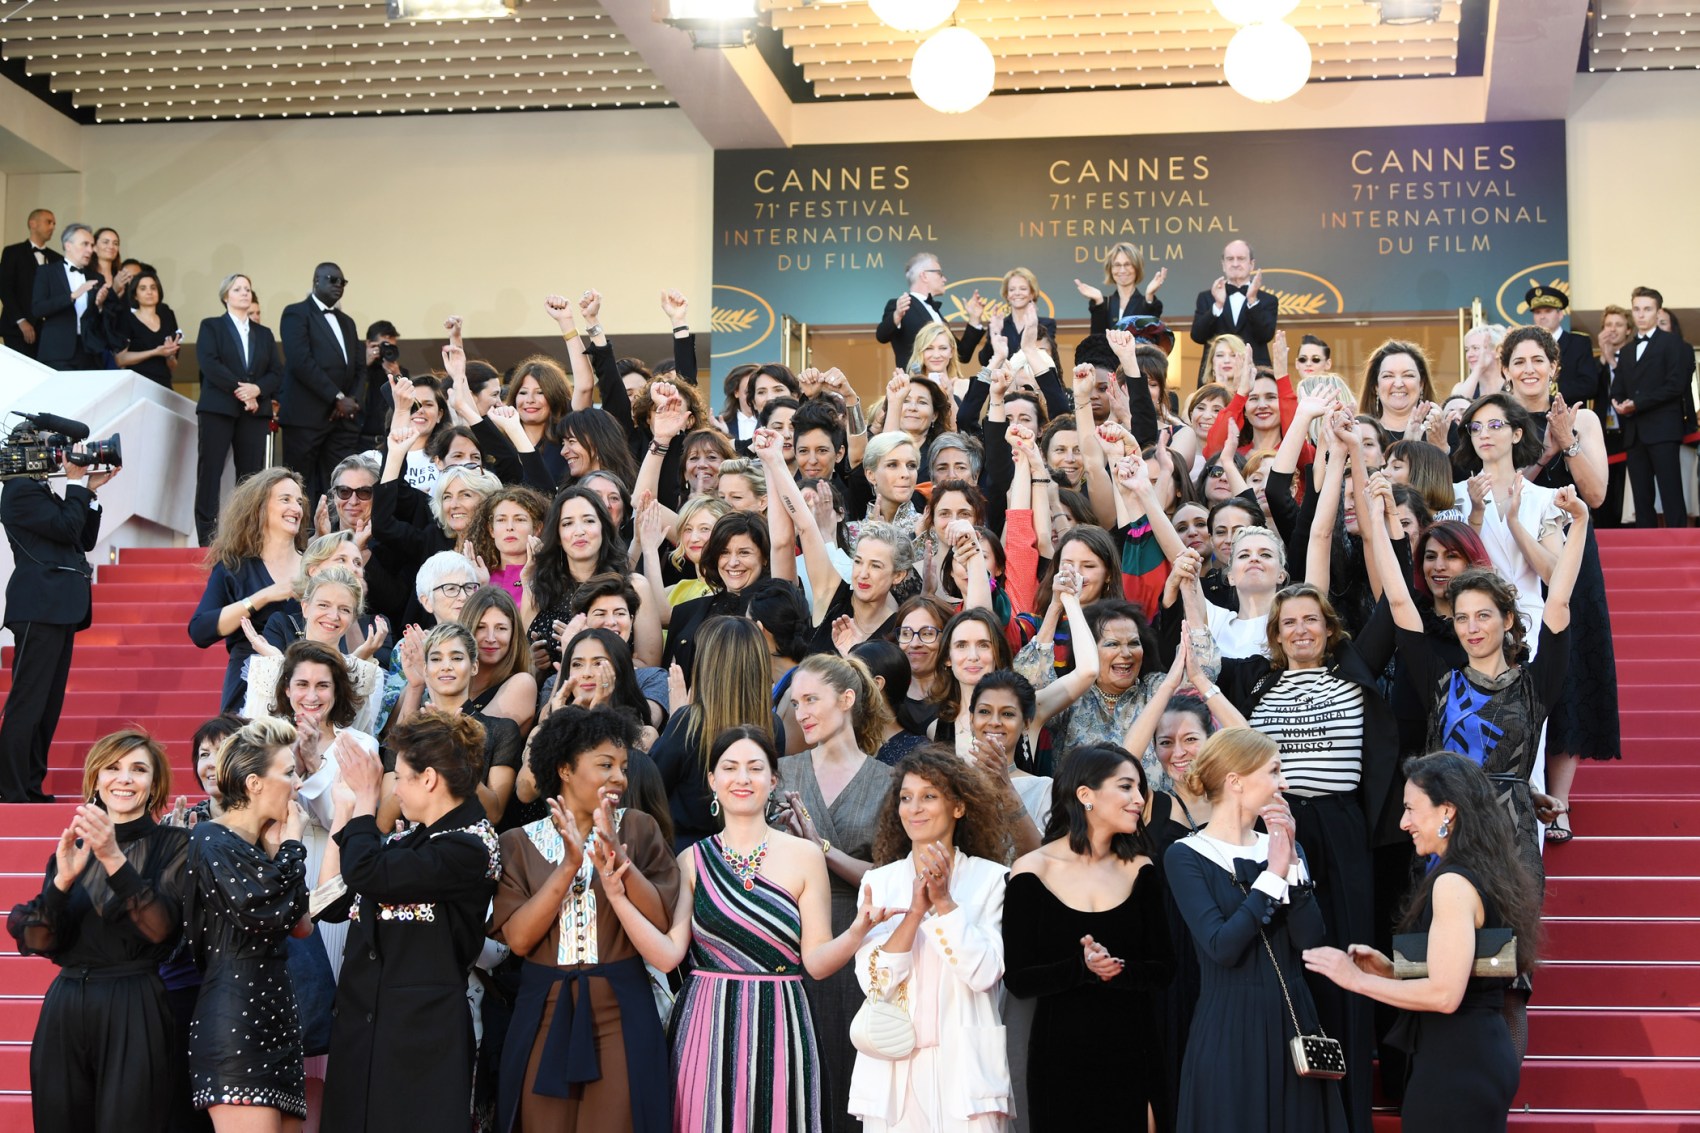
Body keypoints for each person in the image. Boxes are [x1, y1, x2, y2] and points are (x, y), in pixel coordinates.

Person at [599, 726, 891, 1133]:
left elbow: (818, 963)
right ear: (713, 780)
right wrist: (617, 897)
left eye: (755, 768)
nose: (742, 779)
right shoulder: (692, 860)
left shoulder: (806, 857)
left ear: (773, 780)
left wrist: (859, 929)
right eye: (730, 768)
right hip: (705, 1023)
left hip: (782, 1023)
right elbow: (667, 954)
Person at [1302, 753, 1540, 1133]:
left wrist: (1356, 980)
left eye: (1411, 809)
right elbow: (1472, 969)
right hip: (1475, 1057)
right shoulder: (1483, 872)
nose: (1403, 822)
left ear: (1447, 811)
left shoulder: (1451, 884)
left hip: (1457, 1066)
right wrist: (1393, 970)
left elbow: (1446, 994)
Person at [490, 705, 679, 1132]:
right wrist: (569, 865)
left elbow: (661, 919)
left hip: (623, 1008)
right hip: (543, 1008)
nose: (619, 777)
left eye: (623, 767)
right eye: (605, 765)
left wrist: (619, 855)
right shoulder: (516, 843)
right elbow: (518, 940)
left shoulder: (640, 829)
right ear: (564, 769)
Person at [316, 710, 501, 1132]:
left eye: (399, 777)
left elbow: (367, 873)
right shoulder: (406, 839)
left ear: (429, 779)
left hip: (420, 1039)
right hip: (366, 1030)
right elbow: (330, 903)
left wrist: (367, 800)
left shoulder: (470, 845)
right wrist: (346, 809)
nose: (394, 790)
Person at [1164, 727, 1346, 1132]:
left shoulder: (1285, 845)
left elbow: (1311, 940)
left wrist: (1291, 866)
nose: (1284, 783)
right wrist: (1273, 875)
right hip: (1229, 1026)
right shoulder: (1185, 856)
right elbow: (1221, 947)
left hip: (1294, 1020)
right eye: (1274, 771)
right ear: (1235, 781)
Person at [7, 728, 188, 1132]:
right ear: (95, 780)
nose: (124, 778)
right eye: (113, 767)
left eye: (138, 769)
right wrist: (62, 882)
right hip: (65, 1006)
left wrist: (112, 858)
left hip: (134, 1002)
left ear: (154, 784)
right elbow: (38, 938)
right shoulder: (73, 848)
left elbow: (160, 929)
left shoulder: (175, 845)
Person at [1004, 744, 1174, 1133]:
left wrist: (1118, 970)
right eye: (1127, 787)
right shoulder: (1031, 870)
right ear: (1086, 795)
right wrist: (1081, 968)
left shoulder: (1141, 868)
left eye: (1140, 789)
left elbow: (1165, 969)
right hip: (1059, 1057)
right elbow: (1019, 979)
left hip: (1134, 1050)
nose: (1139, 799)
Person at [850, 745, 1016, 1132]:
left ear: (958, 807)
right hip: (893, 1065)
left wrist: (943, 902)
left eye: (929, 796)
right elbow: (875, 983)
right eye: (906, 798)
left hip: (965, 1069)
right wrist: (914, 913)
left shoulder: (991, 879)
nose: (915, 808)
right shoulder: (878, 882)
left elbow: (985, 972)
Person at [1501, 325, 1621, 836]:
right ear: (1505, 370)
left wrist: (1567, 440)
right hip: (1512, 554)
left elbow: (1595, 496)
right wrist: (1545, 453)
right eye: (1519, 361)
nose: (1529, 369)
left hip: (1571, 555)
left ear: (1554, 367)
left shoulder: (1585, 418)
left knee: (1569, 664)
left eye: (1538, 360)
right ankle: (1515, 784)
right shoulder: (1494, 420)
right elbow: (1501, 491)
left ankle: (1561, 802)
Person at [773, 654, 897, 1133]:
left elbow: (889, 879)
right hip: (788, 948)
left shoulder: (889, 782)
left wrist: (820, 850)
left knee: (852, 1088)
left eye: (811, 700)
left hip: (860, 950)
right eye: (795, 701)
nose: (800, 712)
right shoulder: (779, 773)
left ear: (846, 700)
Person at [181, 717, 311, 1128]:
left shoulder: (263, 845)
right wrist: (291, 847)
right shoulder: (211, 838)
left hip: (280, 1021)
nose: (296, 785)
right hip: (236, 1025)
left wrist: (278, 851)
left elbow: (301, 925)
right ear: (255, 783)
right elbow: (265, 914)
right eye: (289, 773)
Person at [0, 443, 111, 804]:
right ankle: (11, 789)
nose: (58, 457)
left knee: (48, 703)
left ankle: (30, 785)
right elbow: (65, 527)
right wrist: (76, 486)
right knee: (28, 701)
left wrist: (89, 491)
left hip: (59, 606)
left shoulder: (40, 490)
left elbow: (82, 538)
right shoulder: (18, 491)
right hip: (38, 606)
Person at [189, 469, 308, 713]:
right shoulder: (234, 568)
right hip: (249, 683)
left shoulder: (313, 565)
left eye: (299, 501)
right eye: (285, 499)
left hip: (305, 683)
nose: (296, 508)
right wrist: (262, 597)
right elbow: (200, 630)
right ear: (260, 507)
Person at [195, 273, 285, 545]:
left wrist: (256, 390)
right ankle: (206, 540)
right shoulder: (211, 326)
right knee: (210, 472)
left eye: (248, 289)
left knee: (251, 476)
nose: (245, 293)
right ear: (226, 296)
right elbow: (210, 364)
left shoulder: (264, 333)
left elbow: (276, 373)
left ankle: (247, 536)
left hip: (254, 411)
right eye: (238, 289)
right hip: (219, 409)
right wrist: (242, 390)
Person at [279, 262, 365, 504]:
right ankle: (300, 538)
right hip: (305, 416)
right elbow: (300, 361)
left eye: (342, 282)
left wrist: (352, 401)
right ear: (316, 281)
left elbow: (359, 367)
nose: (338, 285)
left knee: (341, 482)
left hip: (341, 420)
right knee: (299, 483)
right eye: (332, 279)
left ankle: (335, 535)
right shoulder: (296, 313)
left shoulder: (347, 321)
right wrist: (337, 398)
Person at [1611, 286, 1690, 527]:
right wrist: (1618, 402)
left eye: (1647, 309)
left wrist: (1638, 403)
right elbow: (1619, 386)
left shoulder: (1673, 344)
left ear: (1658, 311)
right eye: (1636, 309)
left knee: (1671, 494)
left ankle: (1680, 548)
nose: (1641, 314)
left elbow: (1676, 385)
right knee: (1641, 498)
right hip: (1634, 434)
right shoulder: (1625, 351)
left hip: (1663, 430)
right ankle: (1646, 549)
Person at [876, 251, 985, 371]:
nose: (944, 279)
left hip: (944, 385)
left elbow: (963, 355)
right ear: (924, 276)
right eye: (939, 273)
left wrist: (974, 319)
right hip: (914, 384)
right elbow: (882, 336)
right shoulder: (900, 305)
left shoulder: (936, 313)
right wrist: (897, 315)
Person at [1189, 240, 1275, 378]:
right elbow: (1197, 336)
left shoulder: (1267, 300)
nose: (1235, 264)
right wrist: (1217, 305)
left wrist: (1252, 300)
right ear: (1223, 264)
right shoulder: (1207, 298)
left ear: (1251, 264)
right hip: (1216, 379)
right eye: (1230, 259)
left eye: (1241, 258)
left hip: (1255, 377)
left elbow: (1265, 335)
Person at [31, 222, 107, 370]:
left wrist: (100, 306)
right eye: (85, 244)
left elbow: (104, 321)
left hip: (89, 352)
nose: (90, 250)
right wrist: (72, 296)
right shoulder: (47, 272)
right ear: (68, 245)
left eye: (92, 245)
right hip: (57, 352)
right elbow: (38, 309)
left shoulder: (97, 277)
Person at [1524, 285, 1604, 412]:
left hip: (1570, 417)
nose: (1542, 316)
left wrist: (1548, 390)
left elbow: (1589, 385)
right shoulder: (1527, 346)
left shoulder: (1579, 343)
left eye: (1548, 311)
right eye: (1538, 312)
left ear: (1560, 314)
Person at [1, 208, 60, 357]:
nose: (53, 226)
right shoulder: (12, 252)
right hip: (17, 329)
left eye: (54, 223)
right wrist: (21, 321)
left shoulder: (57, 259)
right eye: (48, 222)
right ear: (32, 224)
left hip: (49, 331)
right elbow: (4, 288)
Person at [108, 266, 180, 386]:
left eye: (153, 288)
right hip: (137, 383)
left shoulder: (167, 316)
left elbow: (173, 366)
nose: (149, 292)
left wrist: (170, 355)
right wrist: (154, 352)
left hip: (164, 383)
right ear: (135, 295)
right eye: (143, 288)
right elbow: (120, 360)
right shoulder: (127, 318)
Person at [1077, 240, 1166, 334]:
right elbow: (1097, 342)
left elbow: (1150, 336)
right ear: (1110, 269)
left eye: (1127, 264)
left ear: (1137, 268)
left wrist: (1149, 295)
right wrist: (1099, 302)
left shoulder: (1147, 303)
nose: (1122, 270)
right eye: (1117, 265)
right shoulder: (1105, 304)